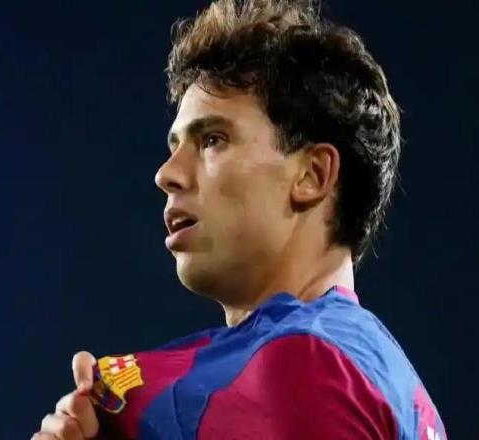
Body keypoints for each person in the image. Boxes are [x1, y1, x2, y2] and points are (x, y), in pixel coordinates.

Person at [32, 0, 448, 439]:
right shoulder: (378, 373)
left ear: (312, 175)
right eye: (174, 146)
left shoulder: (307, 362)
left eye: (212, 140)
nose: (167, 174)